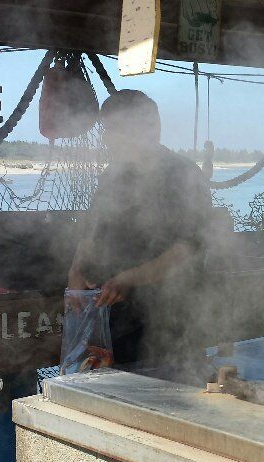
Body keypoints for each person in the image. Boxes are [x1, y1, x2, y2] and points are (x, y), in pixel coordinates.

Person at [68, 90, 212, 372]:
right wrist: (75, 270)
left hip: (167, 320)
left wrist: (130, 278)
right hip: (113, 320)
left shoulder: (184, 175)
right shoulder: (112, 175)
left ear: (149, 127)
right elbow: (92, 229)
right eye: (107, 130)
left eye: (116, 129)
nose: (109, 139)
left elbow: (188, 249)